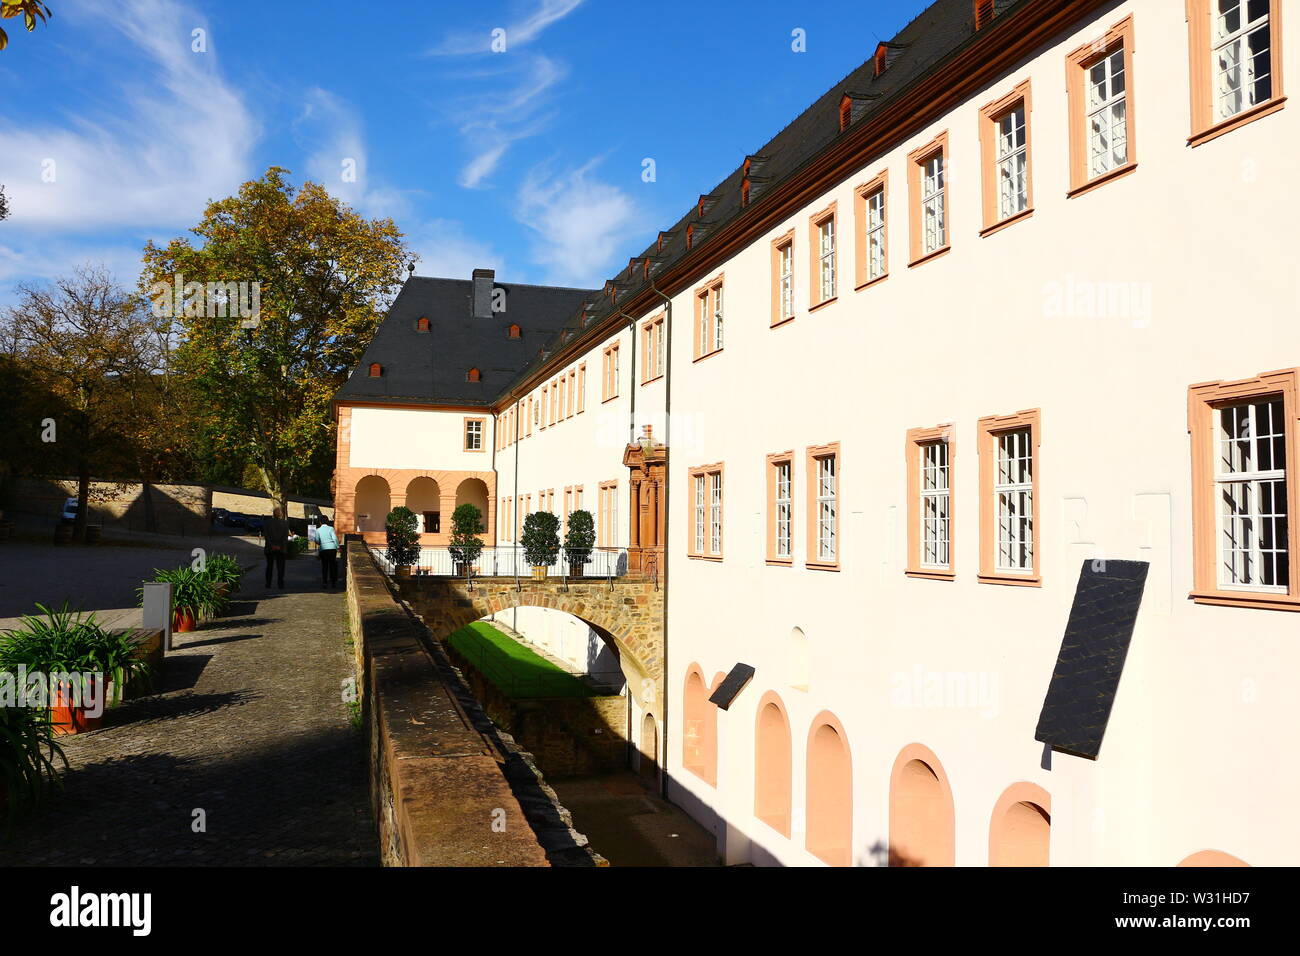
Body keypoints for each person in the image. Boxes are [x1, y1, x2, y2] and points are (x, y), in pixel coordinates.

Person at [263, 506, 289, 589]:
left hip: (270, 548)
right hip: (281, 548)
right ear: (280, 514)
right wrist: (279, 546)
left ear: (273, 514)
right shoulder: (285, 523)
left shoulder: (267, 523)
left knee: (269, 566)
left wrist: (272, 545)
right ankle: (280, 583)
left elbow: (266, 536)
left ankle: (268, 583)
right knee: (280, 567)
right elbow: (285, 537)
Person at [317, 518, 339, 589]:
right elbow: (335, 539)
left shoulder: (318, 530)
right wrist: (337, 547)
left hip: (323, 549)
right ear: (327, 522)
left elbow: (317, 541)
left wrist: (322, 542)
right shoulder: (331, 528)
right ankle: (333, 582)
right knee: (332, 565)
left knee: (324, 566)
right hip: (332, 549)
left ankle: (324, 582)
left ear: (320, 522)